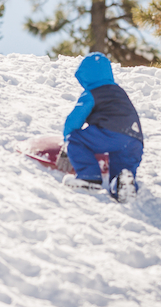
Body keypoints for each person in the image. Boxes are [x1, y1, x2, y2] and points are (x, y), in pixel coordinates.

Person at [61, 52, 143, 202]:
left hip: (111, 134)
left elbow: (75, 119)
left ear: (85, 76)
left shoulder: (93, 92)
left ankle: (88, 177)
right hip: (135, 139)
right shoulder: (119, 91)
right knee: (120, 170)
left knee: (77, 139)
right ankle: (121, 183)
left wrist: (67, 140)